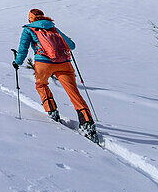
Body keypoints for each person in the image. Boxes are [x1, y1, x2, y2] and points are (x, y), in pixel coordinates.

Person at [13, 9, 99, 141]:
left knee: (41, 84)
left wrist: (17, 62)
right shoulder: (52, 27)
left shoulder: (28, 29)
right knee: (74, 93)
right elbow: (71, 46)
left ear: (30, 18)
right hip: (64, 63)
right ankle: (87, 123)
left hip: (43, 63)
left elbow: (23, 49)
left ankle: (52, 111)